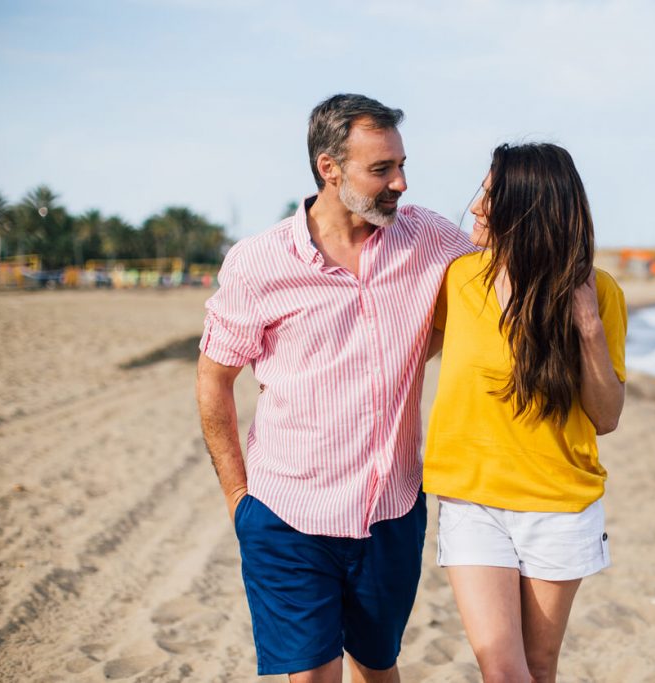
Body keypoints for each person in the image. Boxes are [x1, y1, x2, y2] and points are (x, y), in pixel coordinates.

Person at [195, 93, 472, 682]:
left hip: (390, 511)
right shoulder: (258, 262)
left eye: (401, 164)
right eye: (381, 169)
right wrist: (237, 498)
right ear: (330, 168)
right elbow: (213, 380)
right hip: (286, 513)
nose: (400, 182)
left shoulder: (431, 239)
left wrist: (411, 353)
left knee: (378, 668)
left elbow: (490, 285)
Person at [423, 143, 627, 683]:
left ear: (529, 208)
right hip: (473, 500)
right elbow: (400, 349)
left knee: (539, 665)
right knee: (503, 667)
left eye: (490, 198)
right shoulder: (458, 280)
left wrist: (588, 328)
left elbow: (606, 416)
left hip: (558, 504)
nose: (476, 209)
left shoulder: (596, 291)